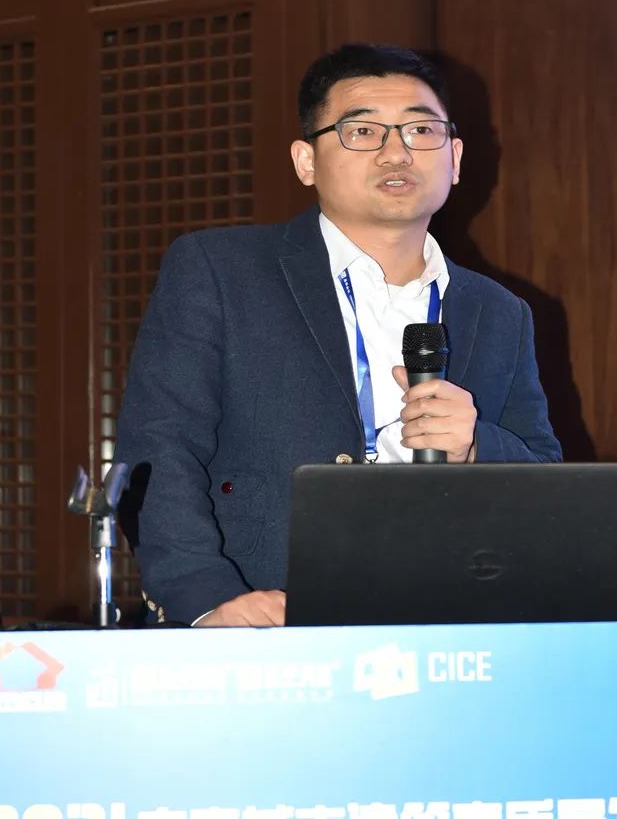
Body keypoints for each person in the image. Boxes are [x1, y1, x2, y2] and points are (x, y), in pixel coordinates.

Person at [114, 43, 562, 627]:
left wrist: (478, 445)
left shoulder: (501, 312)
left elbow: (548, 480)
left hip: (448, 623)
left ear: (454, 158)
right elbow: (159, 448)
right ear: (306, 161)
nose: (397, 152)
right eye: (363, 132)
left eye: (421, 130)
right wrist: (206, 600)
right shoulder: (220, 270)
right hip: (266, 619)